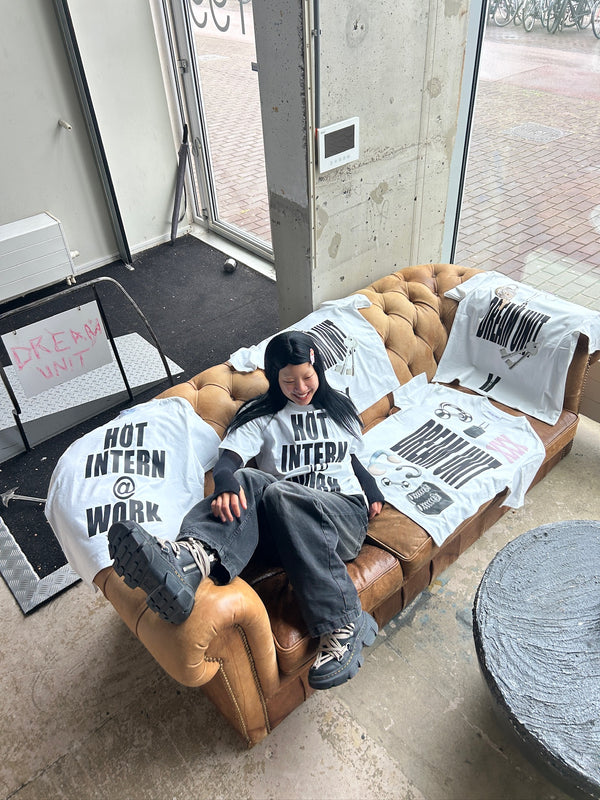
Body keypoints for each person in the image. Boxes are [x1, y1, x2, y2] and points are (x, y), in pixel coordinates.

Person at [108, 331, 384, 690]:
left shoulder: (338, 408)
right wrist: (226, 484)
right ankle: (190, 562)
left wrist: (372, 489)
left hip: (342, 516)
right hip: (288, 531)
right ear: (273, 377)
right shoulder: (262, 417)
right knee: (252, 479)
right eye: (289, 381)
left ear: (317, 365)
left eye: (307, 377)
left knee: (281, 492)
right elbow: (228, 464)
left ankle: (343, 621)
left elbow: (352, 458)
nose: (301, 388)